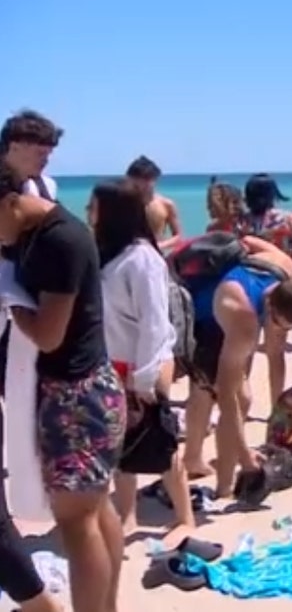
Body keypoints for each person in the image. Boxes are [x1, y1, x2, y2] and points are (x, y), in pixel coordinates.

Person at [0, 163, 127, 612]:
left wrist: (11, 300)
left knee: (76, 523)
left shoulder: (61, 240)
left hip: (77, 396)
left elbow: (50, 334)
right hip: (83, 389)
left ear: (11, 201)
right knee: (96, 510)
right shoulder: (33, 231)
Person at [89, 179, 195, 540]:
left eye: (93, 207)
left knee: (160, 441)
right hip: (113, 363)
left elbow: (154, 321)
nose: (88, 214)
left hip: (143, 363)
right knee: (120, 445)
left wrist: (146, 377)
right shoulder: (108, 252)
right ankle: (128, 515)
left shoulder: (142, 258)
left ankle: (185, 517)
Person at [183, 235, 292, 500]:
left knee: (228, 394)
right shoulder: (244, 321)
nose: (279, 332)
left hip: (228, 305)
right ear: (269, 305)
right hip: (204, 317)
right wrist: (245, 456)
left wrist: (278, 412)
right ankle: (223, 485)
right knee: (236, 397)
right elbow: (227, 397)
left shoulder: (284, 265)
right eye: (279, 325)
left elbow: (249, 240)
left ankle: (197, 461)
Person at [0, 114, 63, 612]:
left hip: (22, 314)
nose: (45, 159)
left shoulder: (44, 188)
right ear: (15, 145)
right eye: (39, 149)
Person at [240, 173, 292, 401]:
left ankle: (242, 407)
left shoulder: (241, 222)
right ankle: (276, 405)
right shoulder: (289, 219)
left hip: (247, 289)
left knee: (245, 354)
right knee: (276, 354)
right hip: (281, 290)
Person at [125, 156, 182, 252]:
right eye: (136, 182)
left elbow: (178, 237)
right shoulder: (123, 204)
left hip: (156, 255)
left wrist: (159, 246)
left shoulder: (166, 205)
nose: (142, 186)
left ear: (154, 179)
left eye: (146, 180)